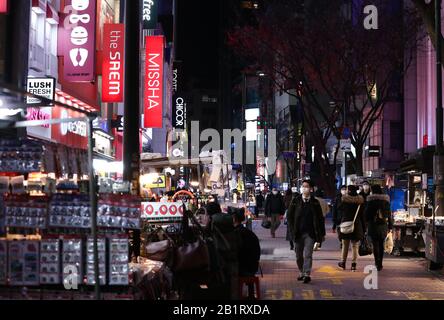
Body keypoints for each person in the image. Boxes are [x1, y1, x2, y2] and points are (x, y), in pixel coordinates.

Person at [287, 180, 326, 283]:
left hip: (310, 233)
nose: (304, 188)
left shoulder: (315, 202)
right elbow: (289, 217)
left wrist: (322, 234)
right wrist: (291, 230)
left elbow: (320, 219)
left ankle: (306, 274)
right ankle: (301, 271)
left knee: (308, 254)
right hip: (298, 232)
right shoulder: (295, 200)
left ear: (311, 189)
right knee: (298, 255)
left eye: (307, 186)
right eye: (303, 186)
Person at [231, 207, 261, 299]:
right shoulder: (250, 233)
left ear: (234, 219)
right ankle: (250, 294)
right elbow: (257, 252)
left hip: (242, 268)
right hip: (253, 267)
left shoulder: (234, 234)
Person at [365, 185, 393, 271]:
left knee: (375, 244)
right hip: (383, 225)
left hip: (373, 226)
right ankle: (380, 263)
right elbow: (389, 214)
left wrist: (366, 225)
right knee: (381, 245)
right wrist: (390, 226)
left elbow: (366, 215)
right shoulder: (385, 201)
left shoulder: (370, 201)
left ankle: (376, 262)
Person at [337, 185, 366, 271]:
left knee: (345, 245)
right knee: (355, 246)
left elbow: (339, 208)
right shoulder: (360, 201)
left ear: (348, 191)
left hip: (346, 224)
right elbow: (362, 215)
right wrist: (364, 228)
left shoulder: (344, 200)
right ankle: (354, 264)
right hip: (356, 225)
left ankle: (343, 263)